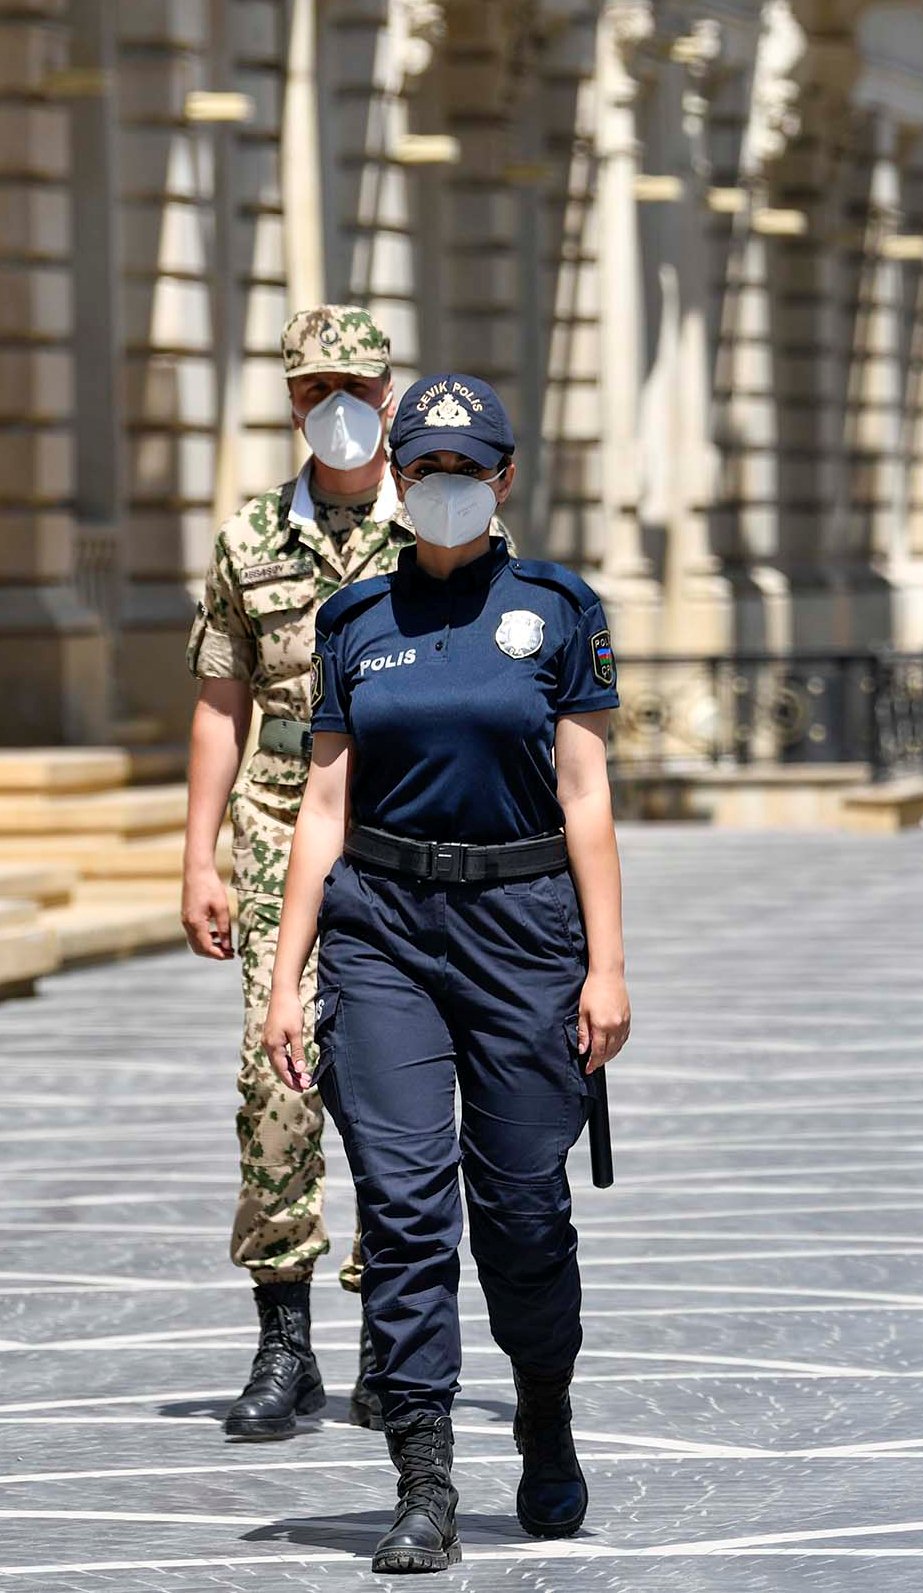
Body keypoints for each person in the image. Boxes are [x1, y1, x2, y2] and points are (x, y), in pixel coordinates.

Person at [262, 374, 631, 1572]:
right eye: (426, 471)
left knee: (524, 1209)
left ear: (505, 481)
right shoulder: (354, 621)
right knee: (407, 1210)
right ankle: (422, 1468)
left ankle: (543, 1410)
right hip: (382, 932)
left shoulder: (557, 610)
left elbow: (587, 798)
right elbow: (323, 804)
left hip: (525, 929)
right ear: (399, 481)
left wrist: (607, 967)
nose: (448, 491)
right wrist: (286, 973)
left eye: (470, 471)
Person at [183, 305, 408, 1437]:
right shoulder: (249, 537)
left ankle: (388, 1338)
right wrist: (199, 857)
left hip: (405, 827)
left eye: (354, 388)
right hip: (277, 825)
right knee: (276, 1078)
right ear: (290, 401)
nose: (335, 407)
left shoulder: (439, 527)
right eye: (314, 388)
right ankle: (284, 1343)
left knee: (395, 1078)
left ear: (387, 396)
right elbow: (219, 703)